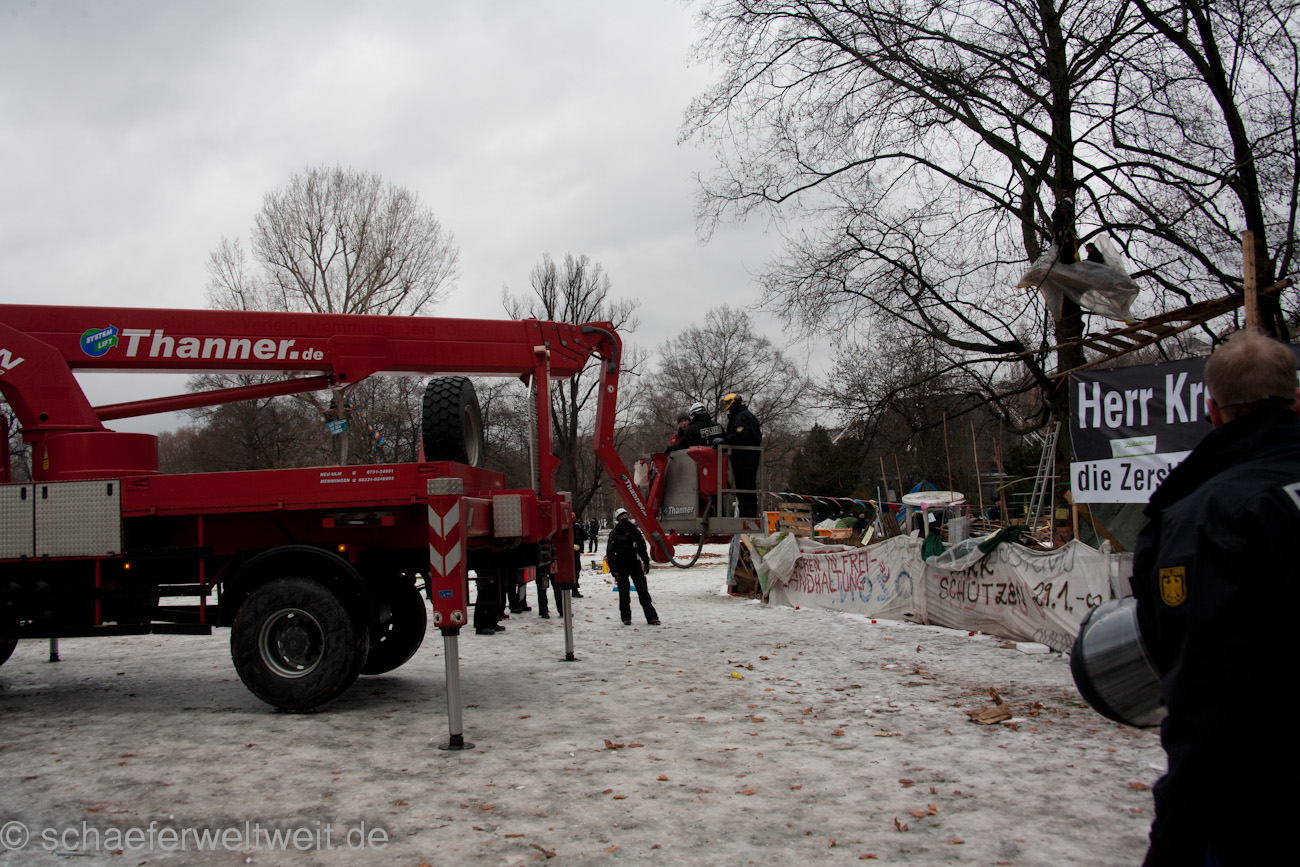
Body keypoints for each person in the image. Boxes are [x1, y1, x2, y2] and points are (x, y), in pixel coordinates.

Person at [1131, 329, 1298, 866]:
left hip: (1260, 806)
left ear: (1213, 411)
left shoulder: (1207, 519)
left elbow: (1206, 702)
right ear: (1296, 401)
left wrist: (1172, 844)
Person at [605, 507, 659, 626]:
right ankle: (626, 617)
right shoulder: (614, 533)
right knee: (624, 594)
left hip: (634, 563)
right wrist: (613, 569)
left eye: (625, 516)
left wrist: (646, 561)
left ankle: (652, 617)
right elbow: (610, 552)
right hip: (621, 565)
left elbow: (642, 547)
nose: (624, 518)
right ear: (618, 519)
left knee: (643, 592)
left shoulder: (634, 531)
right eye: (621, 517)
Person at [713, 393, 763, 517]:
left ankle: (746, 515)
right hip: (751, 459)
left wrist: (725, 440)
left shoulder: (740, 417)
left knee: (743, 487)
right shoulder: (748, 415)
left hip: (743, 459)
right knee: (750, 487)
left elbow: (741, 435)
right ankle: (750, 514)